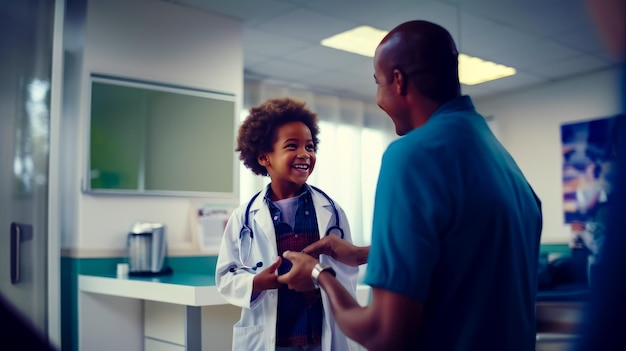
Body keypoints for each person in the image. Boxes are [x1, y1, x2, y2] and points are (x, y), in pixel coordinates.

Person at [277, 20, 543, 351]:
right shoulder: (503, 163)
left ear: (398, 81)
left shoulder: (412, 156)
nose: (378, 98)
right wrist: (362, 254)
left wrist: (319, 276)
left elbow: (384, 335)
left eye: (378, 83)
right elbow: (465, 252)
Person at [215, 97, 359, 351]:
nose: (305, 154)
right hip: (274, 337)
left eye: (310, 147)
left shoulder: (332, 212)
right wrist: (257, 282)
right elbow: (226, 276)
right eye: (292, 146)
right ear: (264, 158)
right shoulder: (243, 217)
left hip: (319, 334)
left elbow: (347, 275)